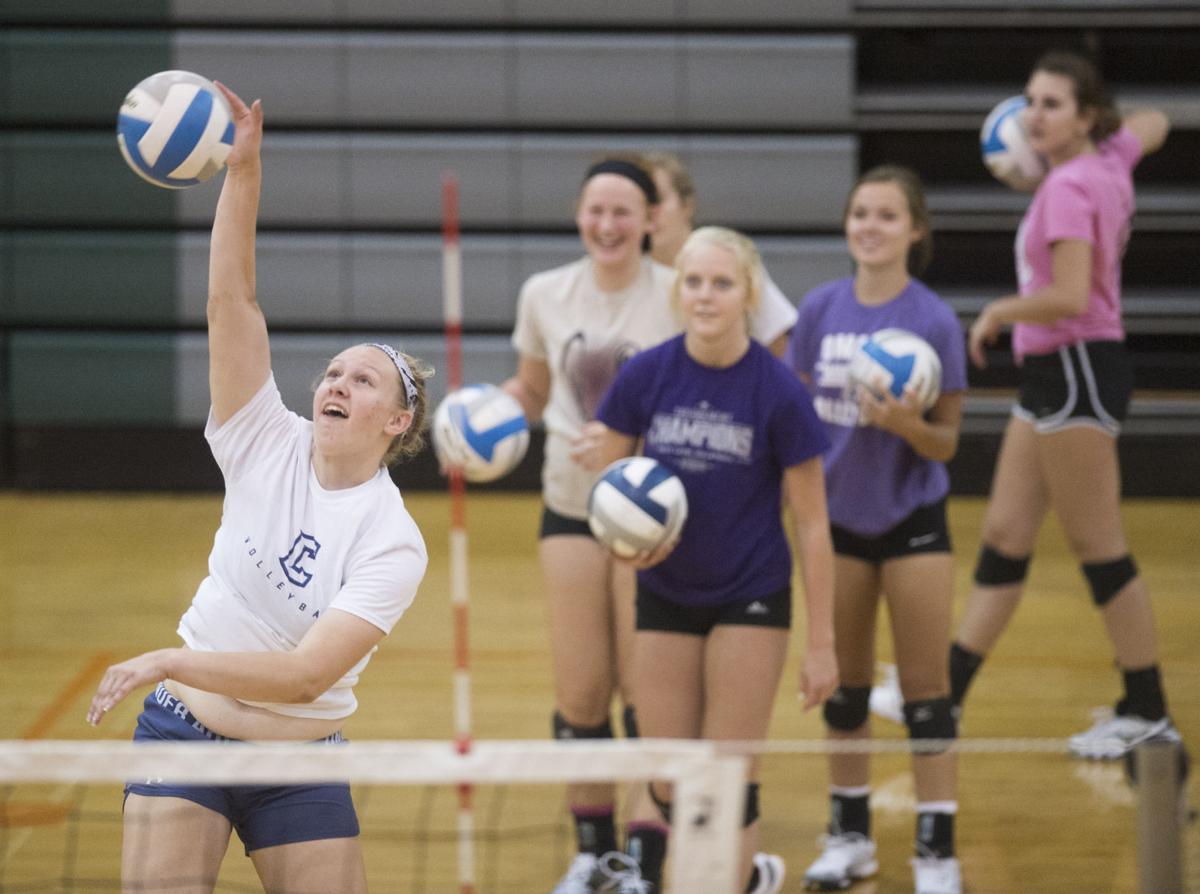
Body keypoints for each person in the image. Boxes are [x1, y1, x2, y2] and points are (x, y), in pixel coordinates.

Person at [86, 82, 431, 893]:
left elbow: (306, 677)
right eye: (334, 371)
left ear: (396, 422)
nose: (337, 382)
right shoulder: (264, 438)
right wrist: (243, 172)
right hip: (184, 736)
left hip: (298, 760)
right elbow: (231, 302)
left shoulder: (392, 541)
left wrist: (169, 656)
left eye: (364, 380)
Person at [499, 155, 803, 893]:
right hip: (573, 506)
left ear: (650, 220)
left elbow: (745, 364)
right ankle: (592, 851)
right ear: (578, 215)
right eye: (595, 210)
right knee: (581, 693)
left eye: (623, 212)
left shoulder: (682, 289)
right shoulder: (544, 293)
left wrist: (638, 452)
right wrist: (489, 418)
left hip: (661, 521)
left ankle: (646, 855)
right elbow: (532, 390)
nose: (607, 225)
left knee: (649, 696)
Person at [576, 226, 839, 894]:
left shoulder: (779, 390)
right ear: (678, 291)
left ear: (749, 294)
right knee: (669, 779)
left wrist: (822, 646)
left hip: (750, 593)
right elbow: (610, 492)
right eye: (693, 281)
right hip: (665, 590)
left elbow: (813, 523)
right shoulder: (646, 373)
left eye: (722, 283)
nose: (705, 295)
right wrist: (628, 544)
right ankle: (751, 879)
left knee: (728, 778)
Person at [950, 50, 1179, 760]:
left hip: (1075, 365)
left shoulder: (1069, 188)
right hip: (1059, 372)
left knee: (1100, 548)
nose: (1033, 116)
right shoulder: (1108, 160)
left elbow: (1070, 295)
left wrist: (998, 311)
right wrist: (1115, 134)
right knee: (1005, 533)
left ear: (1085, 116)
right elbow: (1157, 122)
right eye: (1029, 101)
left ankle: (1149, 712)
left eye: (1052, 104)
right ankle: (942, 695)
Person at [787, 166, 968, 894]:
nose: (870, 227)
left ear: (915, 230)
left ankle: (936, 852)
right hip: (835, 524)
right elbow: (797, 420)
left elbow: (947, 443)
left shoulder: (934, 319)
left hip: (912, 519)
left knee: (926, 695)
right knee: (845, 691)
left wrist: (906, 425)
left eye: (887, 216)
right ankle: (850, 839)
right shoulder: (820, 309)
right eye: (860, 213)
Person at [644, 151, 797, 356]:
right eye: (641, 203)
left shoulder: (728, 257)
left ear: (687, 205)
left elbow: (778, 343)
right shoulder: (632, 277)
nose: (649, 212)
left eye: (657, 199)